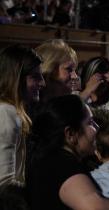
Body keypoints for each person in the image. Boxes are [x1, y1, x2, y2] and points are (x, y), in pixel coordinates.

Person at [27, 95, 109, 210]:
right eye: (90, 122)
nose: (97, 128)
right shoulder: (60, 165)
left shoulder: (52, 161)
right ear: (71, 134)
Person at [0, 45, 45, 186]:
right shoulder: (7, 113)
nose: (43, 83)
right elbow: (4, 183)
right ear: (16, 78)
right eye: (35, 77)